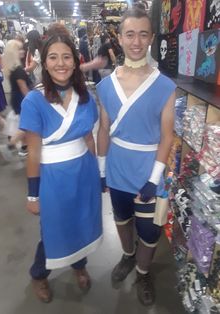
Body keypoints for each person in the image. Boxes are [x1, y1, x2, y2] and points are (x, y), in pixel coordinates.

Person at [96, 7, 176, 306]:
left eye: (143, 34)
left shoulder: (165, 86)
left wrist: (154, 180)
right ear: (120, 37)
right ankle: (128, 256)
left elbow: (167, 136)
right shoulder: (105, 86)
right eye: (130, 34)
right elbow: (103, 130)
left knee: (150, 230)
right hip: (117, 169)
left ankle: (143, 272)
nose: (136, 41)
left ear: (152, 38)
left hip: (148, 173)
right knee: (121, 219)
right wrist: (102, 170)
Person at [19, 33, 102, 303]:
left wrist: (100, 174)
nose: (61, 63)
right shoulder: (34, 101)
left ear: (76, 62)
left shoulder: (85, 96)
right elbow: (33, 151)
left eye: (66, 56)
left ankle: (79, 265)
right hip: (52, 178)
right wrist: (33, 194)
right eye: (53, 57)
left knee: (81, 221)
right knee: (52, 230)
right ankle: (39, 273)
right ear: (44, 63)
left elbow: (89, 137)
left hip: (84, 172)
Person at [0, 39, 32, 160]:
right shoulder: (18, 70)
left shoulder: (13, 68)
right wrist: (33, 102)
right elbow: (24, 89)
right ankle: (10, 145)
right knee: (25, 126)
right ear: (14, 52)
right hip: (22, 100)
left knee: (23, 124)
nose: (23, 51)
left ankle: (23, 147)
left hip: (17, 99)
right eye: (20, 49)